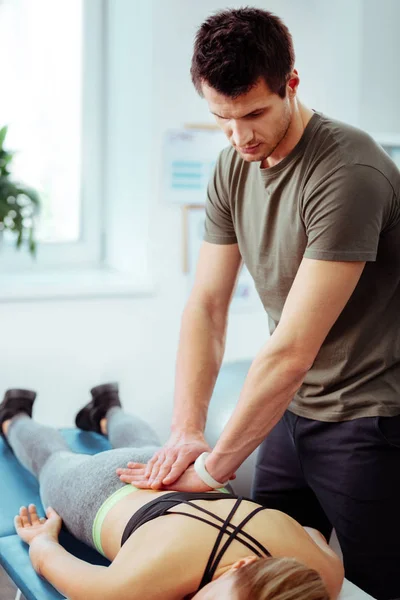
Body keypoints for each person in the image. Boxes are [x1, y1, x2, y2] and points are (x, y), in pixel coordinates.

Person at [128, 7, 400, 600]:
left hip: (369, 419)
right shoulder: (232, 167)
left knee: (373, 586)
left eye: (254, 113)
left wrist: (210, 471)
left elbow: (293, 350)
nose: (240, 136)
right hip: (290, 414)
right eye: (222, 119)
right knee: (258, 575)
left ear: (291, 84)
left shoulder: (348, 171)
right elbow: (206, 306)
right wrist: (187, 430)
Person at [0, 385, 344, 600]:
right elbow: (46, 559)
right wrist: (42, 538)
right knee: (52, 461)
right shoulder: (134, 588)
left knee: (148, 447)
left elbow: (312, 533)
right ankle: (12, 416)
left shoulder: (323, 573)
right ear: (241, 565)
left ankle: (108, 408)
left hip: (183, 478)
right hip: (98, 490)